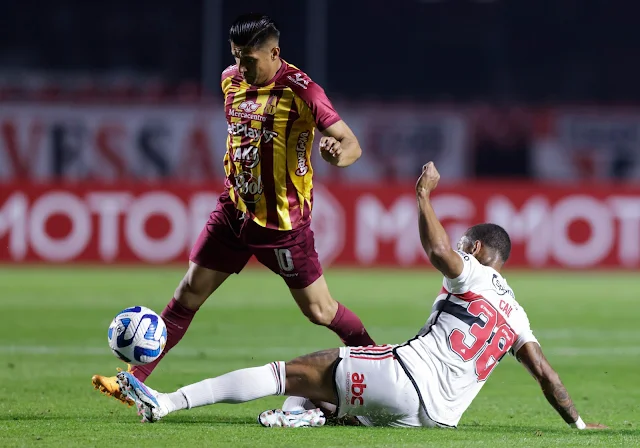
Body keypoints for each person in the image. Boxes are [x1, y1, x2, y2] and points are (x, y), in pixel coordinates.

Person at [114, 162, 606, 430]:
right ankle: (311, 418)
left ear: (477, 248)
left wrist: (423, 196)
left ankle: (168, 402)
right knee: (342, 394)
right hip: (435, 420)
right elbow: (548, 377)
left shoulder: (472, 269)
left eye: (465, 243)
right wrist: (580, 425)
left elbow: (437, 249)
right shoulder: (517, 313)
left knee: (283, 374)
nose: (460, 247)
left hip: (405, 375)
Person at [92, 13, 375, 405]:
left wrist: (335, 154)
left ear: (275, 52)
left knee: (320, 310)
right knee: (188, 292)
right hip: (234, 211)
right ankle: (132, 381)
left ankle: (378, 361)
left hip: (282, 225)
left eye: (250, 59)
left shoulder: (302, 92)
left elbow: (351, 144)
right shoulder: (231, 80)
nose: (242, 67)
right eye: (237, 57)